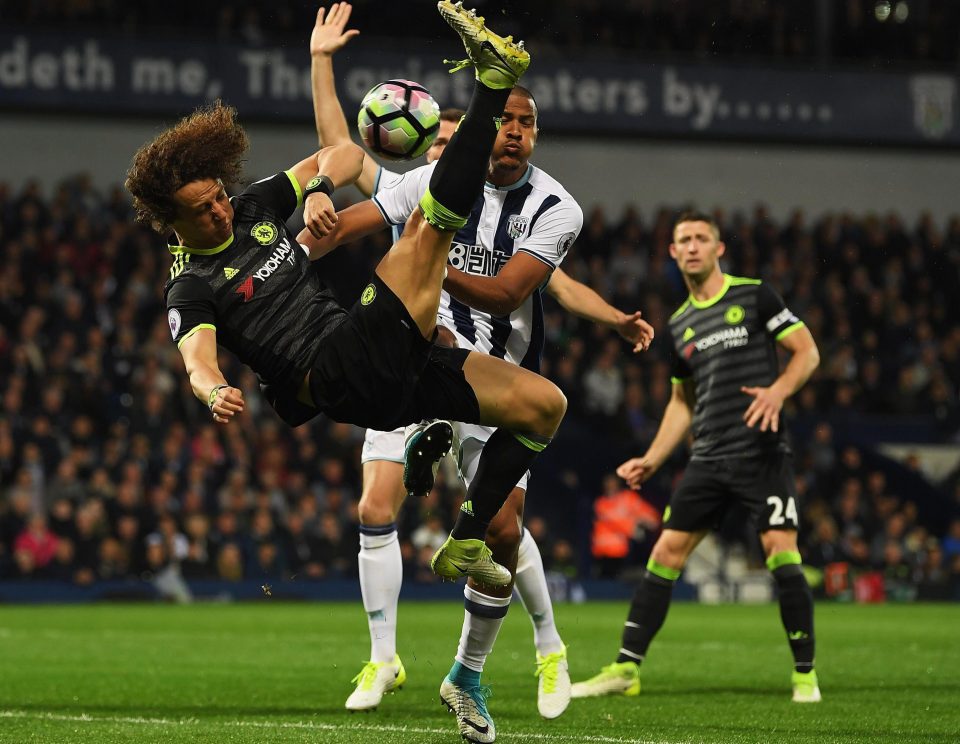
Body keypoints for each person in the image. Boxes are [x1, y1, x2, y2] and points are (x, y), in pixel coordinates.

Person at [126, 3, 560, 599]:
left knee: (544, 406)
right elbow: (197, 358)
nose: (221, 209)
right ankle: (491, 84)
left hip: (375, 361)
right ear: (170, 221)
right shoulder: (190, 284)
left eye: (220, 197)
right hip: (328, 370)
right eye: (203, 210)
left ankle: (465, 535)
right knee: (424, 230)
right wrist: (213, 388)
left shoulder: (254, 205)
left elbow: (348, 155)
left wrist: (320, 189)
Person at [305, 3, 653, 730]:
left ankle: (525, 653)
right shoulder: (428, 185)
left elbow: (512, 291)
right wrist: (292, 234)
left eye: (528, 123)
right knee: (375, 506)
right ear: (474, 131)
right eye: (506, 119)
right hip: (415, 363)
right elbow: (345, 223)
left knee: (499, 531)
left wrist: (421, 260)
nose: (516, 132)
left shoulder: (555, 208)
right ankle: (384, 654)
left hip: (489, 376)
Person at [571, 211, 823, 704]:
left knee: (780, 551)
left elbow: (807, 351)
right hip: (707, 457)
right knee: (664, 554)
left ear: (718, 248)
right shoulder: (680, 325)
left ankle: (805, 675)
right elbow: (681, 404)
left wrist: (777, 392)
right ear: (672, 252)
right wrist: (653, 458)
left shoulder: (755, 295)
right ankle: (626, 668)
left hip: (761, 452)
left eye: (700, 239)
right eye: (682, 240)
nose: (691, 247)